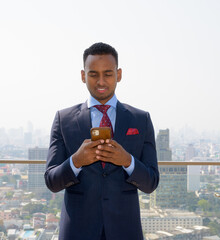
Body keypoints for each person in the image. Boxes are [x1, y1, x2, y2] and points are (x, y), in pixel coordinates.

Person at [45, 42, 159, 240]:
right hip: (77, 231)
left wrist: (127, 161)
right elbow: (52, 181)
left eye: (107, 73)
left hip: (125, 230)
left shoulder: (141, 119)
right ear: (83, 76)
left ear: (119, 75)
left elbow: (151, 182)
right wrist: (76, 161)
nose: (101, 81)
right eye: (93, 74)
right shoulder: (63, 120)